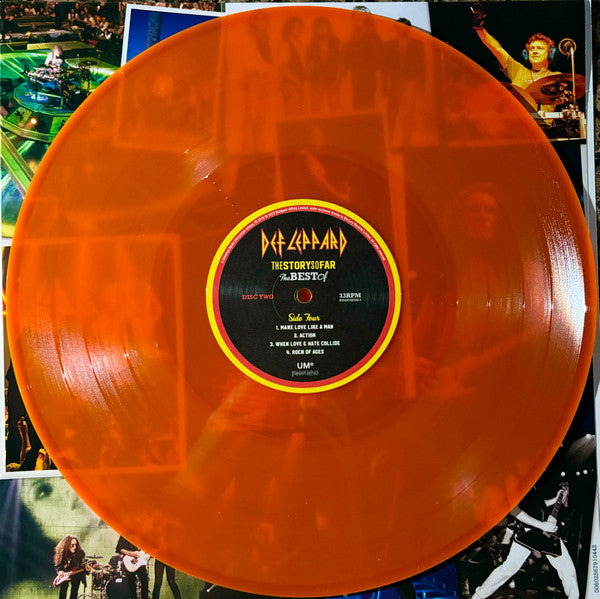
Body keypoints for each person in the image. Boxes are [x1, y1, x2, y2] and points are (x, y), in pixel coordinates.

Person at [472, 483, 579, 599]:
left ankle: (478, 596)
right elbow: (514, 510)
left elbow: (536, 505)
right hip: (528, 533)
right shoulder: (515, 482)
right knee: (508, 569)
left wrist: (555, 499)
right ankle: (478, 596)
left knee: (568, 570)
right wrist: (541, 525)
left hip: (543, 532)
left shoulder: (530, 483)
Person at [471, 3, 561, 111]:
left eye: (540, 48)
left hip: (545, 122)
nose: (535, 51)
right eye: (532, 49)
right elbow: (497, 49)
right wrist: (479, 28)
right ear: (526, 53)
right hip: (519, 121)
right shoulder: (518, 71)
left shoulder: (557, 77)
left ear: (550, 53)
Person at [116, 535, 150, 599]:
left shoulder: (142, 534)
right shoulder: (124, 534)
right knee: (131, 582)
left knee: (145, 580)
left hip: (140, 561)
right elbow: (120, 548)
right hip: (128, 561)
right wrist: (132, 554)